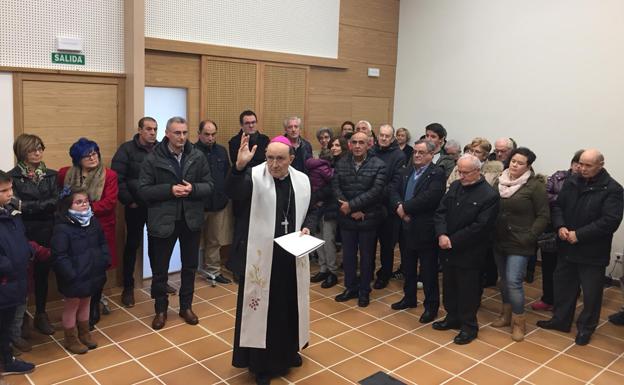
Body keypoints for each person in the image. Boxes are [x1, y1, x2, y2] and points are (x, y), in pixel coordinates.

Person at [227, 135, 315, 385]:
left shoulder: (302, 181)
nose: (274, 164)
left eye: (280, 159)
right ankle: (261, 365)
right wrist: (239, 167)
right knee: (262, 311)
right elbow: (232, 191)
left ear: (291, 159)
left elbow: (312, 209)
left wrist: (307, 226)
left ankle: (287, 354)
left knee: (287, 307)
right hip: (261, 258)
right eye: (269, 158)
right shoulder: (254, 176)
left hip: (289, 257)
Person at [537, 149, 623, 346]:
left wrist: (580, 235)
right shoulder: (572, 181)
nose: (582, 168)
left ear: (601, 165)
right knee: (563, 286)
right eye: (580, 164)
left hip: (592, 251)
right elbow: (558, 206)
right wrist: (561, 226)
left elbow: (610, 221)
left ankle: (586, 328)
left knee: (591, 293)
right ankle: (560, 320)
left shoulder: (613, 189)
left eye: (588, 165)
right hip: (567, 246)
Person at [139, 116, 213, 330]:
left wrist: (194, 189)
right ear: (167, 134)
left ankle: (186, 306)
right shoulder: (153, 159)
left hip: (191, 220)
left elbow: (209, 185)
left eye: (184, 133)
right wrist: (169, 190)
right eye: (177, 133)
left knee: (190, 266)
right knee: (160, 269)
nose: (182, 137)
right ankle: (161, 310)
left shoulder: (197, 156)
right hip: (163, 220)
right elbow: (143, 191)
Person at [432, 155, 500, 345]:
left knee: (468, 290)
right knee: (449, 285)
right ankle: (451, 317)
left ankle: (469, 326)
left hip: (470, 251)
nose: (460, 176)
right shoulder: (455, 187)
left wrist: (451, 240)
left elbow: (481, 226)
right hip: (447, 247)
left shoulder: (489, 195)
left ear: (478, 172)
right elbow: (440, 212)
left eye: (465, 173)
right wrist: (442, 234)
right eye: (459, 171)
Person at [58, 138, 118, 329]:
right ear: (77, 158)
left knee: (97, 269)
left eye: (95, 153)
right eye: (87, 155)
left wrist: (82, 208)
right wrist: (73, 212)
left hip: (100, 228)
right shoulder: (65, 174)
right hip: (72, 230)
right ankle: (77, 312)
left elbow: (109, 203)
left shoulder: (109, 175)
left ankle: (93, 307)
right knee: (78, 268)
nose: (92, 157)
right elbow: (62, 200)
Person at [491, 147, 549, 342]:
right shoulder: (500, 181)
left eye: (520, 162)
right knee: (503, 280)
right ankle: (505, 315)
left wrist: (530, 236)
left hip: (521, 241)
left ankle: (518, 322)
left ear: (528, 166)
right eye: (513, 160)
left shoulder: (535, 186)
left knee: (514, 281)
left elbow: (543, 216)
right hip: (499, 239)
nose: (515, 165)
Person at [390, 140, 445, 324]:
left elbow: (429, 198)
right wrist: (399, 206)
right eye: (415, 152)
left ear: (431, 154)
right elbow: (393, 190)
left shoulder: (437, 173)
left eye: (422, 152)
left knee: (428, 270)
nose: (417, 155)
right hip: (405, 227)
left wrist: (404, 208)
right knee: (407, 266)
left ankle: (431, 306)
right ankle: (409, 298)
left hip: (425, 229)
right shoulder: (407, 170)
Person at [8, 134, 58, 337]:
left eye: (40, 148)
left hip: (47, 230)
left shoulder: (51, 175)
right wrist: (36, 207)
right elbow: (13, 206)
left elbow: (55, 202)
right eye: (32, 149)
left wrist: (26, 206)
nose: (37, 153)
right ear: (22, 152)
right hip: (23, 232)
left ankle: (41, 314)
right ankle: (22, 318)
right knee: (22, 277)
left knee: (42, 276)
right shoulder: (12, 177)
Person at [51, 187, 109, 354]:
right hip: (74, 277)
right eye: (79, 202)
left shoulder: (93, 221)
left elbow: (102, 243)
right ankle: (71, 338)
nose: (84, 205)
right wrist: (71, 274)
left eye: (86, 201)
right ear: (68, 206)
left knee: (87, 303)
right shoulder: (62, 228)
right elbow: (59, 255)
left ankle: (84, 333)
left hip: (92, 272)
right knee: (72, 306)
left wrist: (104, 261)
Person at [332, 132, 387, 307]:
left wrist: (353, 206)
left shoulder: (379, 164)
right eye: (354, 142)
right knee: (348, 256)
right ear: (349, 145)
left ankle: (364, 290)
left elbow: (376, 191)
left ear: (368, 144)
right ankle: (350, 287)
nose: (357, 146)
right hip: (346, 218)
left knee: (366, 257)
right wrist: (348, 208)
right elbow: (336, 186)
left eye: (361, 142)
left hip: (368, 217)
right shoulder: (341, 163)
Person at [111, 116, 160, 308]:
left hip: (156, 206)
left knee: (157, 245)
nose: (152, 133)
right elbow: (118, 178)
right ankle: (128, 288)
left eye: (155, 129)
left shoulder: (161, 149)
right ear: (140, 130)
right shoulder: (126, 150)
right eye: (148, 129)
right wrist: (129, 201)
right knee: (132, 245)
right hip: (135, 206)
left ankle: (159, 283)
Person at [531, 149, 583, 312]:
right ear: (572, 164)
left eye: (584, 165)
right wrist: (564, 201)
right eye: (577, 164)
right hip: (552, 228)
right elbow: (545, 195)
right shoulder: (558, 177)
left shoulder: (590, 183)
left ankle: (565, 303)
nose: (580, 168)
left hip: (575, 230)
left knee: (569, 270)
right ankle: (548, 299)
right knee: (549, 266)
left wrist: (562, 202)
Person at [0, 170, 36, 376]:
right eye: (4, 190)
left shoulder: (11, 212)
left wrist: (29, 251)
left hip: (14, 281)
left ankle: (7, 359)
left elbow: (20, 239)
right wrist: (9, 266)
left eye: (10, 188)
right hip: (5, 280)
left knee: (6, 324)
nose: (9, 193)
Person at [228, 110, 270, 279]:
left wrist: (252, 164)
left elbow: (266, 163)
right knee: (241, 232)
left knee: (260, 232)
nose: (251, 125)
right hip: (243, 192)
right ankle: (238, 269)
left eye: (253, 122)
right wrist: (251, 163)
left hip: (262, 191)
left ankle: (258, 266)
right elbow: (240, 164)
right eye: (247, 123)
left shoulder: (265, 140)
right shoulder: (234, 142)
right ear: (242, 125)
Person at [195, 120, 232, 285]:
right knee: (192, 240)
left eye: (213, 134)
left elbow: (227, 175)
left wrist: (224, 195)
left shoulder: (222, 151)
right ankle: (188, 272)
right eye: (207, 134)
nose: (210, 138)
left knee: (214, 240)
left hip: (218, 204)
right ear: (199, 134)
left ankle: (213, 271)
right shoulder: (192, 151)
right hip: (197, 205)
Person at [372, 124, 406, 289]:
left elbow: (395, 183)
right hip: (371, 206)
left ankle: (384, 275)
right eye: (381, 135)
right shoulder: (371, 152)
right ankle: (367, 271)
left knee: (387, 246)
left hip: (388, 208)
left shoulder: (399, 155)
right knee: (369, 244)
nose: (384, 138)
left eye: (387, 136)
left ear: (392, 138)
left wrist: (375, 192)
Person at [306, 149, 338, 288]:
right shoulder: (328, 170)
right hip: (317, 207)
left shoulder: (311, 166)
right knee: (318, 239)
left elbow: (334, 188)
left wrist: (316, 198)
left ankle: (332, 271)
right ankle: (323, 269)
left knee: (328, 239)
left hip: (328, 208)